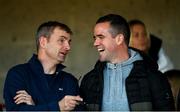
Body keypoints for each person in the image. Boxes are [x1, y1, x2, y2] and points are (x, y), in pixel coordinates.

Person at [80, 14, 175, 111]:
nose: (95, 43)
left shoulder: (154, 77)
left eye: (101, 37)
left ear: (119, 39)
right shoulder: (89, 80)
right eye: (95, 38)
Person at [3, 21, 83, 111]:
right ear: (43, 42)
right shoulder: (18, 74)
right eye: (61, 40)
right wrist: (58, 107)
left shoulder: (70, 81)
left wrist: (34, 107)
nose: (68, 47)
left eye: (69, 42)